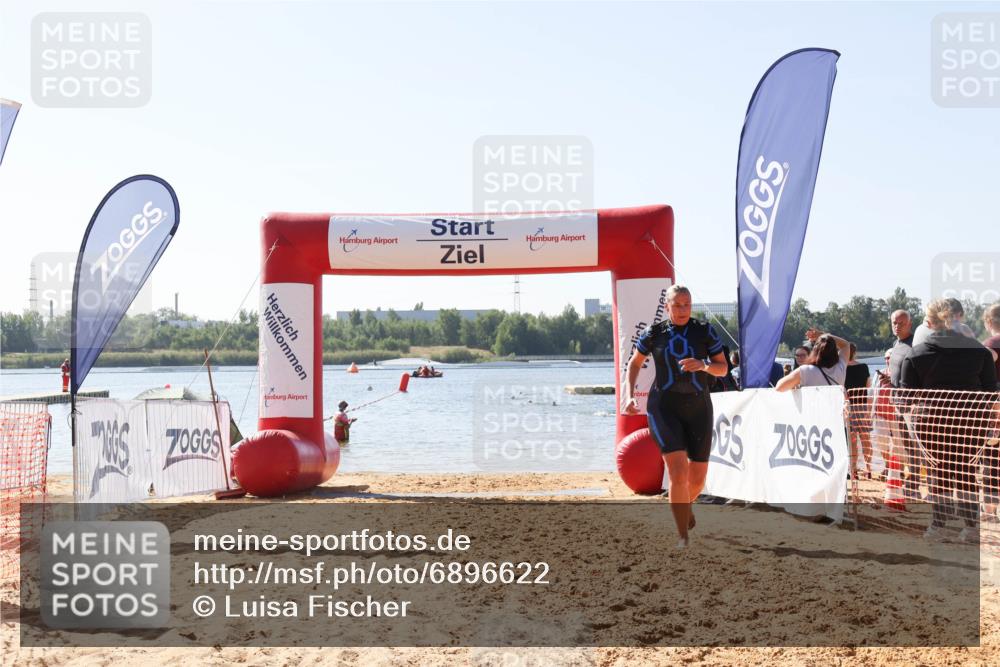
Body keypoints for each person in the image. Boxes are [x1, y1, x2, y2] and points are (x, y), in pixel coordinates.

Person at [622, 285, 728, 548]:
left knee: (698, 480)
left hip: (699, 408)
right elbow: (634, 364)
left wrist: (703, 365)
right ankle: (683, 535)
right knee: (678, 473)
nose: (682, 310)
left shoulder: (704, 331)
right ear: (667, 306)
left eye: (687, 304)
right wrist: (629, 394)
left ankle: (685, 504)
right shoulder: (654, 333)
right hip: (664, 407)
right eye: (677, 305)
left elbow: (723, 368)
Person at [900, 299, 998, 543]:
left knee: (939, 471)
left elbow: (905, 398)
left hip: (931, 422)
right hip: (972, 421)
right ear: (959, 318)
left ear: (930, 323)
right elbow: (990, 391)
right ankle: (971, 527)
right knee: (967, 471)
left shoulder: (917, 353)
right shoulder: (979, 351)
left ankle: (939, 526)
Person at [884, 309, 922, 500]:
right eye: (894, 323)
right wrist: (888, 380)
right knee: (905, 446)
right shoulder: (896, 344)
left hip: (913, 404)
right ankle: (911, 481)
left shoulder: (916, 344)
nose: (896, 326)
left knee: (916, 447)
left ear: (910, 324)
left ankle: (915, 483)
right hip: (898, 402)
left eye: (900, 323)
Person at [775, 328, 850, 391]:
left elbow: (779, 388)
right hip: (836, 408)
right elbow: (846, 345)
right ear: (835, 351)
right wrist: (823, 335)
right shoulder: (840, 367)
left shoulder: (805, 370)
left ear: (814, 351)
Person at [845, 343, 873, 479]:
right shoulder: (863, 367)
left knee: (852, 440)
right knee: (865, 439)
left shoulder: (841, 369)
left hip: (847, 407)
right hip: (862, 406)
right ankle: (869, 468)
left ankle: (854, 469)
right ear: (855, 353)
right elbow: (869, 386)